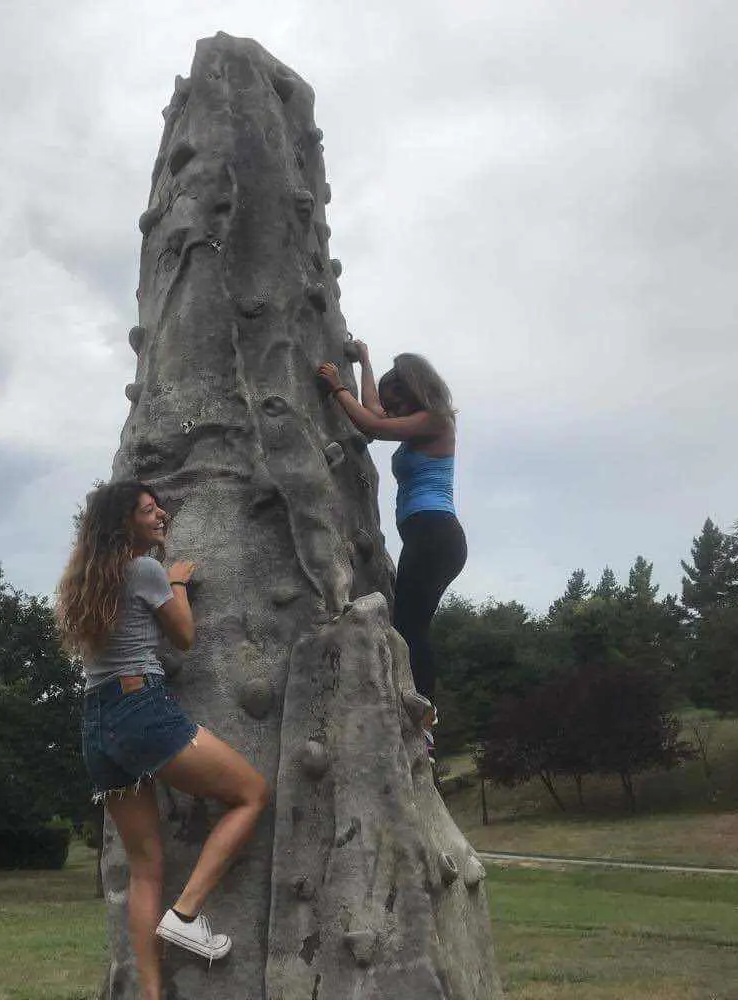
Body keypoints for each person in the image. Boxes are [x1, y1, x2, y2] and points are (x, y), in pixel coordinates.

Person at [56, 481, 270, 997]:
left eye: (159, 508)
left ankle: (150, 994)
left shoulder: (89, 582)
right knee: (251, 794)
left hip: (97, 723)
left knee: (145, 868)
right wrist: (176, 583)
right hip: (140, 708)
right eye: (149, 511)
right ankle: (186, 914)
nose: (161, 516)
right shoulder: (145, 570)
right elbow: (184, 636)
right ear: (124, 524)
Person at [318, 344, 467, 757]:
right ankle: (419, 712)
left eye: (398, 400)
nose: (392, 408)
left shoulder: (436, 419)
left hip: (436, 534)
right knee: (409, 624)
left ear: (414, 388)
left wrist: (337, 388)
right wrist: (365, 361)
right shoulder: (416, 421)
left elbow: (372, 424)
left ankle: (425, 723)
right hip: (425, 537)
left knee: (411, 627)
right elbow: (375, 414)